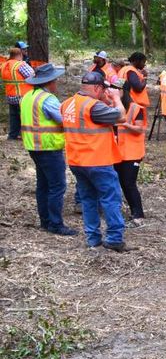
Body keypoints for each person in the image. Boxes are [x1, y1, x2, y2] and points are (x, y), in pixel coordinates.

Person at [61, 71, 127, 251]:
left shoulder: (67, 104)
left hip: (76, 161)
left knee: (88, 200)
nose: (105, 91)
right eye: (104, 89)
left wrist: (105, 100)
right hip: (98, 161)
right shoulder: (93, 106)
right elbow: (121, 116)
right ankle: (114, 238)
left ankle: (93, 238)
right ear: (97, 87)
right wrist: (116, 99)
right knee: (110, 199)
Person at [20, 63, 76, 236]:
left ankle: (45, 221)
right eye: (55, 80)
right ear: (49, 81)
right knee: (57, 186)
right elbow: (63, 119)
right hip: (48, 147)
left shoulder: (28, 96)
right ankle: (55, 224)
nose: (57, 82)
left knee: (43, 185)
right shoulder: (48, 99)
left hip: (33, 146)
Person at [115, 95, 148, 227]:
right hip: (118, 153)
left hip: (132, 153)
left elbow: (140, 129)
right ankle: (131, 212)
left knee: (129, 184)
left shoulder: (135, 109)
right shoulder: (111, 106)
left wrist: (124, 123)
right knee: (122, 183)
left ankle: (138, 215)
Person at [2, 45, 33, 140]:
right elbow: (33, 76)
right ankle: (25, 135)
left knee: (14, 117)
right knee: (25, 116)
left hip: (11, 96)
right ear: (19, 55)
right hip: (23, 96)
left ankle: (12, 136)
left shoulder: (4, 65)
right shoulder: (20, 65)